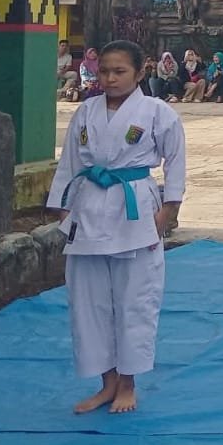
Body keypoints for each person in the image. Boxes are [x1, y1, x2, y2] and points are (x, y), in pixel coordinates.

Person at [46, 39, 186, 415]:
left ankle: (128, 383)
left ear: (140, 72)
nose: (109, 78)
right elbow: (71, 162)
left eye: (119, 71)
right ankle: (106, 382)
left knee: (135, 300)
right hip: (88, 208)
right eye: (104, 71)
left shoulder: (157, 112)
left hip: (134, 207)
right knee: (87, 303)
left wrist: (169, 210)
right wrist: (62, 207)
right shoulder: (87, 111)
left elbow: (175, 161)